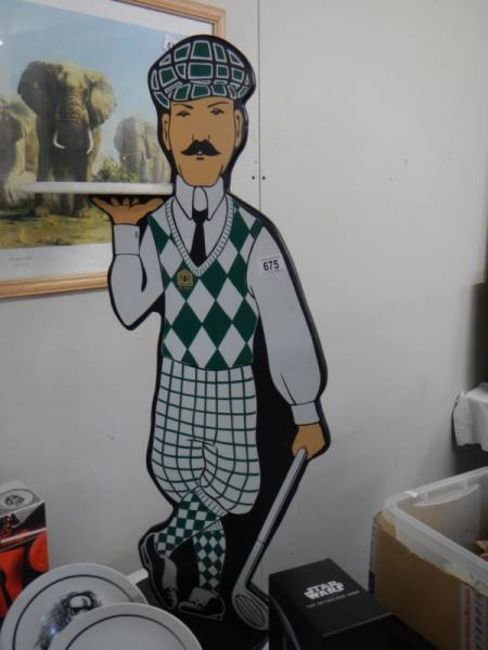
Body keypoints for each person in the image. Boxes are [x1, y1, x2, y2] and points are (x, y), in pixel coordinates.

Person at [93, 35, 329, 623]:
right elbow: (130, 305)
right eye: (186, 115)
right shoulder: (154, 229)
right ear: (166, 131)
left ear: (238, 129)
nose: (201, 132)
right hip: (177, 384)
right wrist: (124, 235)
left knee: (234, 492)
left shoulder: (254, 234)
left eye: (217, 113)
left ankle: (166, 550)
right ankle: (204, 590)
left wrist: (305, 407)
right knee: (194, 490)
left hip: (232, 388)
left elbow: (286, 324)